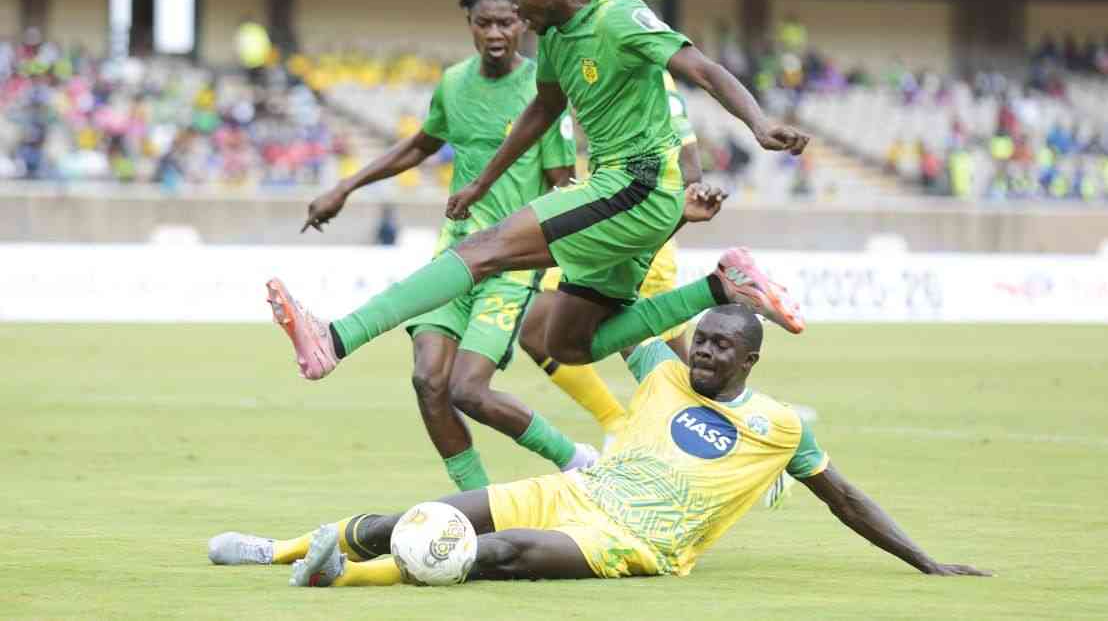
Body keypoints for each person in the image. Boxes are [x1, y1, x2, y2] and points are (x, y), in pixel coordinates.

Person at [265, 0, 808, 385]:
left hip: (635, 184)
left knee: (484, 249)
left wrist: (759, 125)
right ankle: (722, 285)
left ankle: (336, 338)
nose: (517, 11)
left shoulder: (616, 16)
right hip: (626, 192)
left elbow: (702, 69)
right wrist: (482, 181)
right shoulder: (554, 32)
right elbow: (543, 109)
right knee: (568, 344)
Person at [208, 306, 991, 584]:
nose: (703, 352)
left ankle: (337, 579)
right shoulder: (663, 369)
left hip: (635, 541)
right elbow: (606, 315)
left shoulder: (781, 426)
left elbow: (845, 498)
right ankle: (278, 548)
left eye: (720, 346)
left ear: (750, 359)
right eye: (700, 339)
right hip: (576, 492)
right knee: (418, 517)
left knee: (497, 552)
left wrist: (924, 560)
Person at [293, 0, 599, 489]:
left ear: (522, 23)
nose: (496, 33)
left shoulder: (542, 92)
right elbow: (420, 146)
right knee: (428, 381)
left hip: (509, 266)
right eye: (485, 23)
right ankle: (479, 505)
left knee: (467, 390)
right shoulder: (454, 83)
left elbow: (562, 184)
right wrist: (346, 187)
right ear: (470, 24)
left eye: (506, 22)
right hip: (454, 257)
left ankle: (576, 460)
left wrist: (561, 260)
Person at [518, 71, 703, 443]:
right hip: (599, 226)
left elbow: (691, 169)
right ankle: (616, 424)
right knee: (536, 331)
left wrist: (653, 231)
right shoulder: (595, 65)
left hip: (639, 230)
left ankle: (729, 438)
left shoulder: (652, 75)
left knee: (668, 369)